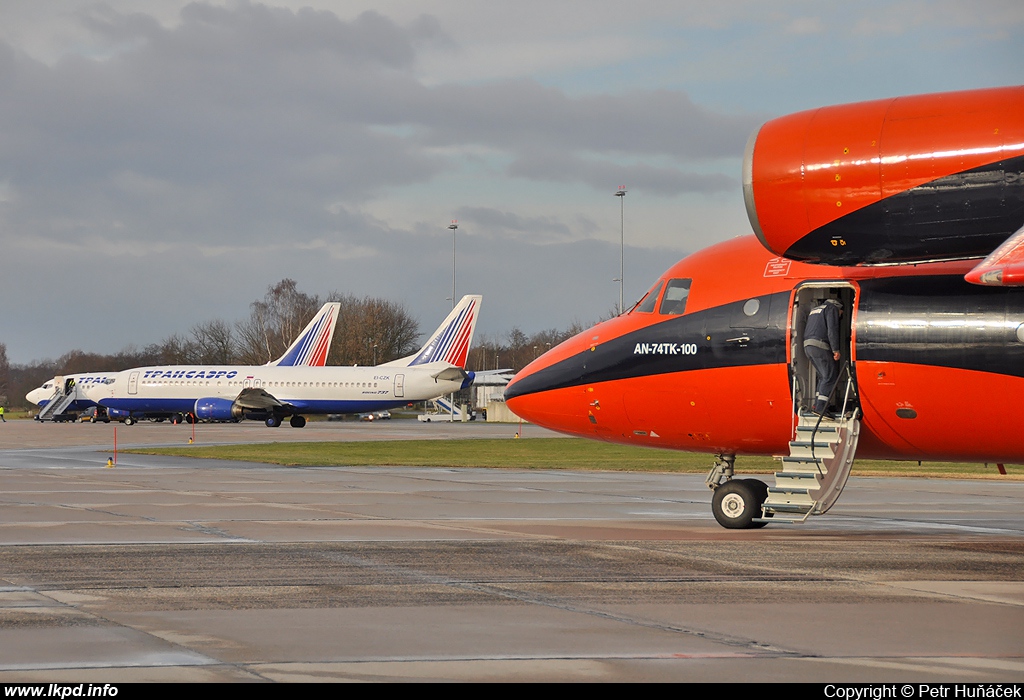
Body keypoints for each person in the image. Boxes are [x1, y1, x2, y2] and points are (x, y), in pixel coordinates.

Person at [803, 298, 843, 417]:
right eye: (841, 314)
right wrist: (835, 349)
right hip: (820, 345)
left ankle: (817, 405)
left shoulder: (815, 309)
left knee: (823, 377)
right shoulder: (832, 309)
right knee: (830, 377)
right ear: (839, 307)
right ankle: (821, 408)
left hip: (808, 346)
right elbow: (832, 330)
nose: (840, 316)